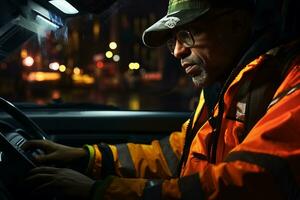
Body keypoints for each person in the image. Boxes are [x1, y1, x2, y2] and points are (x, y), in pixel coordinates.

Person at [23, 0, 300, 199]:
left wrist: (100, 191)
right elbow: (175, 154)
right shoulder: (223, 90)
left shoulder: (291, 83)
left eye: (187, 35)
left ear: (236, 24)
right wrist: (88, 157)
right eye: (172, 41)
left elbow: (246, 182)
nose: (178, 51)